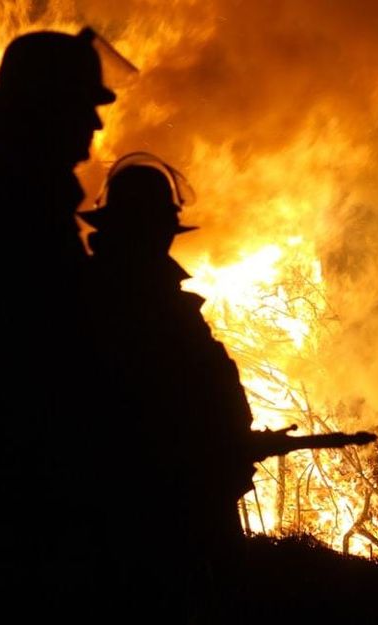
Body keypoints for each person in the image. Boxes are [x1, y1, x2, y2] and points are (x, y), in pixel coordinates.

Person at [0, 29, 115, 620]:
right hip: (14, 507)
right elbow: (51, 356)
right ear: (47, 112)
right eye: (83, 108)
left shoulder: (15, 193)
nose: (96, 126)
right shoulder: (14, 203)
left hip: (5, 499)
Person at [81, 154, 254, 622]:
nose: (163, 240)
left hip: (168, 509)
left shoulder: (114, 293)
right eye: (158, 227)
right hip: (155, 520)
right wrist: (218, 453)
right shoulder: (130, 304)